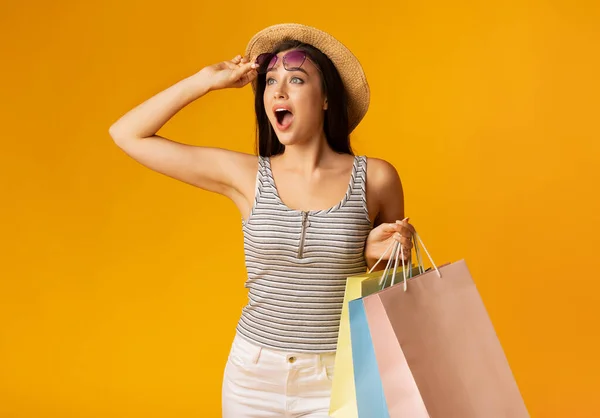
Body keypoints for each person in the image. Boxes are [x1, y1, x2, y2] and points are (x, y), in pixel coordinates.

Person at [109, 22, 415, 418]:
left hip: (341, 376)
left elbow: (391, 287)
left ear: (326, 99)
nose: (278, 91)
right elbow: (127, 134)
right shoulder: (247, 176)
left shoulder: (376, 178)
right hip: (253, 378)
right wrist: (205, 81)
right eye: (270, 82)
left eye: (297, 79)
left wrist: (381, 254)